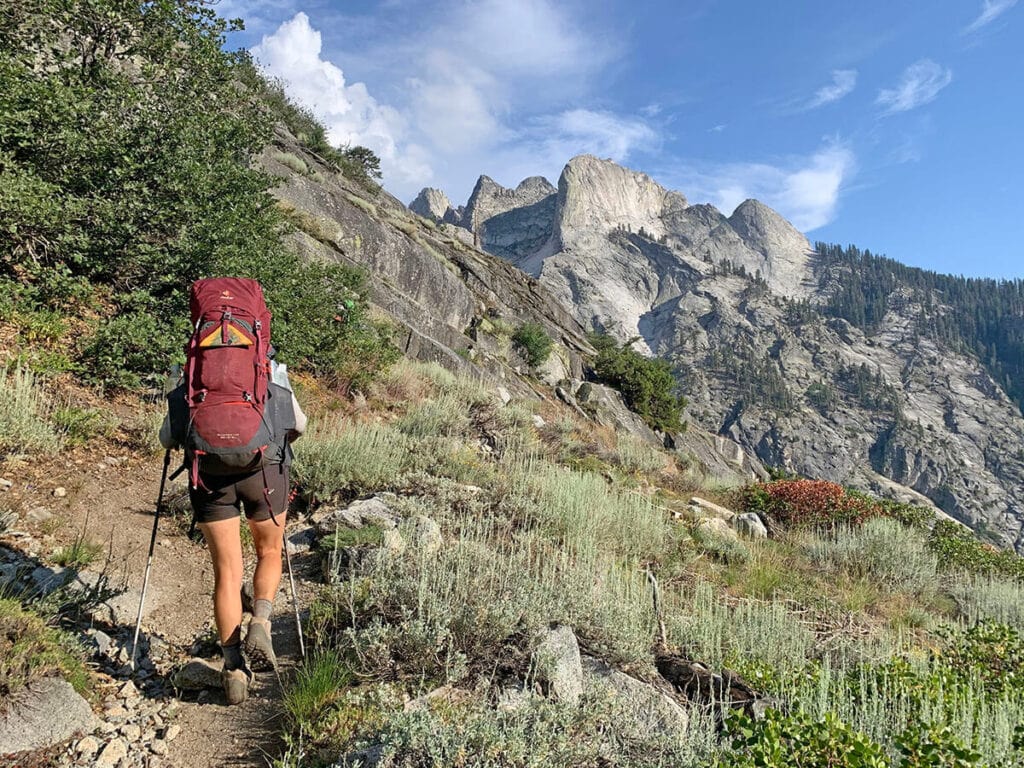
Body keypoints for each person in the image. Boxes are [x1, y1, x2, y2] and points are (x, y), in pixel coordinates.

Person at [160, 356, 306, 704]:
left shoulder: (195, 374)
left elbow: (168, 438)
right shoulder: (266, 369)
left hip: (210, 477)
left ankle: (233, 668)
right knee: (269, 551)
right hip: (265, 471)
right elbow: (298, 425)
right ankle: (260, 621)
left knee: (227, 572)